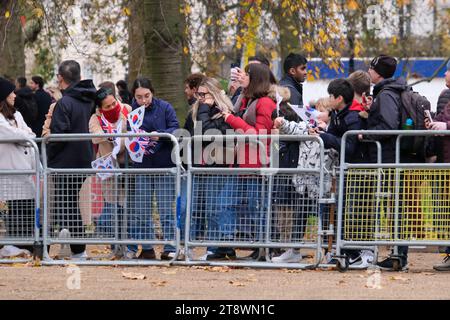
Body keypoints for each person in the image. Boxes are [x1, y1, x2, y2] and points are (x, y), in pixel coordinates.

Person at [207, 63, 276, 261]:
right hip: (240, 163)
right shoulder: (246, 100)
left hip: (256, 165)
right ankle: (227, 243)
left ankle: (265, 247)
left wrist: (231, 119)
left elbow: (259, 135)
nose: (242, 76)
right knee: (224, 203)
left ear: (254, 78)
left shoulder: (264, 103)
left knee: (257, 208)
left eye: (246, 74)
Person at [47, 60, 97, 260]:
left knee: (67, 204)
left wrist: (48, 152)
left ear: (61, 78)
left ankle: (77, 249)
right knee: (69, 204)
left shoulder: (65, 103)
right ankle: (74, 244)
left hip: (65, 162)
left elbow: (59, 134)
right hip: (83, 158)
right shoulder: (88, 100)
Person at [365, 54, 409, 270]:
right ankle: (397, 254)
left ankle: (398, 256)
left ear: (378, 72)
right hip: (392, 156)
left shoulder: (387, 94)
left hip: (390, 156)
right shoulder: (389, 91)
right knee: (395, 206)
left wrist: (367, 133)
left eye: (371, 68)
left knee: (395, 206)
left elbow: (389, 125)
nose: (368, 72)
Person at [127, 77, 179, 260]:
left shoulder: (165, 107)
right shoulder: (132, 111)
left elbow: (175, 128)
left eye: (147, 96)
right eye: (139, 97)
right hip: (142, 166)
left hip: (164, 165)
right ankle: (147, 247)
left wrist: (163, 135)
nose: (144, 100)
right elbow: (126, 131)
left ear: (152, 93)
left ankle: (169, 247)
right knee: (142, 210)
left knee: (165, 210)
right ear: (134, 96)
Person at [189, 77, 234, 260]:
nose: (199, 98)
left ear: (213, 93)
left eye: (203, 94)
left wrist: (205, 109)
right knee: (203, 209)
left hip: (219, 166)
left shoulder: (223, 111)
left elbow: (207, 133)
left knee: (215, 209)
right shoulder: (197, 110)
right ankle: (215, 247)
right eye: (197, 94)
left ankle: (215, 249)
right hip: (200, 166)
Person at [89, 87, 131, 245]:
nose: (113, 107)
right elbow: (95, 136)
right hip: (107, 165)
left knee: (129, 202)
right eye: (108, 106)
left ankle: (128, 242)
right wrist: (110, 133)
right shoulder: (95, 118)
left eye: (114, 103)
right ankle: (114, 242)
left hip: (128, 163)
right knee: (112, 202)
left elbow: (134, 129)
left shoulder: (127, 109)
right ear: (100, 108)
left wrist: (120, 136)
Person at [0, 77, 36, 254]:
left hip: (25, 170)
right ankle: (14, 244)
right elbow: (15, 134)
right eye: (11, 92)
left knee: (27, 207)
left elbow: (30, 133)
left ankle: (24, 243)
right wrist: (23, 136)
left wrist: (23, 136)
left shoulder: (17, 114)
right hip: (10, 169)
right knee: (16, 209)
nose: (15, 95)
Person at [427, 60, 450, 271]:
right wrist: (433, 121)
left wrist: (446, 125)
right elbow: (443, 117)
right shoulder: (447, 98)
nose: (446, 73)